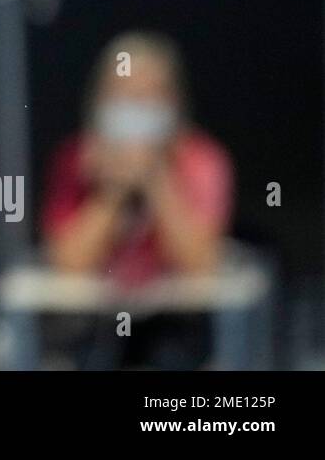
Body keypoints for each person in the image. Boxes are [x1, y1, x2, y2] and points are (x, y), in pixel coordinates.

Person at [41, 31, 234, 367]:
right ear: (100, 102)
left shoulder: (202, 161)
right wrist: (111, 194)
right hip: (94, 329)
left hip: (176, 332)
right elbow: (68, 265)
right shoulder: (76, 160)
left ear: (174, 102)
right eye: (125, 94)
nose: (136, 106)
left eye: (148, 95)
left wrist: (157, 181)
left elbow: (200, 266)